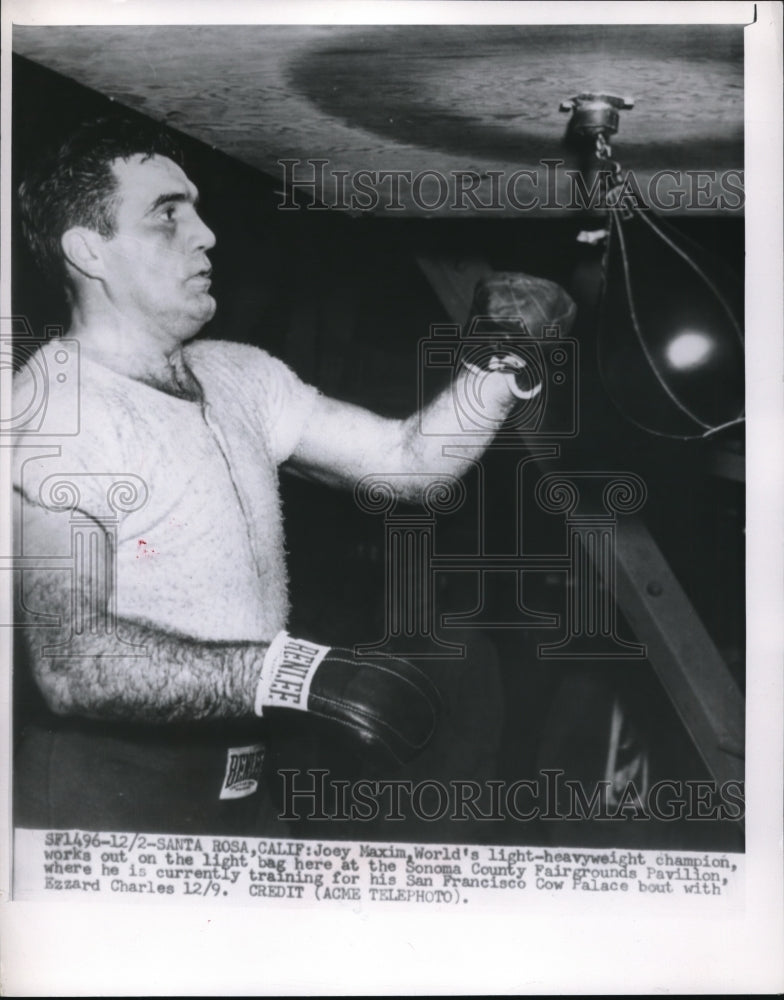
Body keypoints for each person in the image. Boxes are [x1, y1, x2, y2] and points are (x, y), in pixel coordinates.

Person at [12, 117, 576, 834]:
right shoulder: (59, 409)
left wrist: (499, 362)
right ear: (89, 250)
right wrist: (297, 674)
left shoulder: (240, 375)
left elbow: (410, 464)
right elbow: (73, 661)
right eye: (167, 215)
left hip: (245, 782)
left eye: (197, 208)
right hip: (103, 797)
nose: (205, 234)